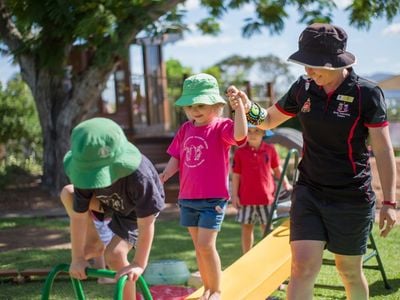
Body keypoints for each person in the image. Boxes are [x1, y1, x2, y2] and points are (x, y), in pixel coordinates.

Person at [228, 23, 397, 300]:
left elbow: (382, 147)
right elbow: (269, 119)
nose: (307, 70)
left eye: (314, 65)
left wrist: (389, 202)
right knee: (302, 267)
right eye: (305, 64)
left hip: (351, 195)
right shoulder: (303, 88)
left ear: (335, 62)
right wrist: (248, 108)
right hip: (309, 191)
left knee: (349, 271)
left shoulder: (367, 93)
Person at [159, 73, 247, 300]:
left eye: (200, 104)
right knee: (199, 248)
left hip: (213, 199)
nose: (194, 110)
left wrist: (239, 110)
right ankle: (207, 289)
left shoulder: (221, 127)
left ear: (216, 106)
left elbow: (240, 135)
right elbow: (176, 157)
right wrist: (166, 174)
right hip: (187, 198)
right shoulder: (185, 129)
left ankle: (216, 290)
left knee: (207, 245)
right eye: (190, 106)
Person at [61, 117, 165, 300]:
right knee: (67, 193)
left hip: (135, 211)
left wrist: (139, 263)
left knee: (115, 255)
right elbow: (78, 217)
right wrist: (77, 258)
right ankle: (94, 242)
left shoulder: (140, 178)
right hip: (108, 202)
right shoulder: (85, 175)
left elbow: (146, 223)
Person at [231, 125, 292, 254]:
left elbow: (277, 169)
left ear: (264, 133)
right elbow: (236, 175)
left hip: (266, 197)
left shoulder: (270, 150)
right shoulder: (240, 152)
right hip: (246, 198)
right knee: (247, 227)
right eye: (249, 131)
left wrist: (286, 184)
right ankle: (246, 255)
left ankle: (268, 253)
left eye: (257, 131)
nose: (252, 134)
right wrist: (234, 195)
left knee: (267, 227)